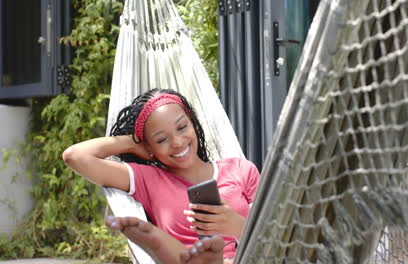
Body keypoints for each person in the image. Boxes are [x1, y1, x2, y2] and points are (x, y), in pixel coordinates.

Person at [62, 88, 260, 263]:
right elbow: (75, 156)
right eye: (162, 139)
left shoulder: (241, 170)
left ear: (193, 123)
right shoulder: (148, 179)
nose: (177, 142)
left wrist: (238, 226)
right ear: (148, 147)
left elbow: (277, 236)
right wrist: (132, 142)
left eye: (182, 127)